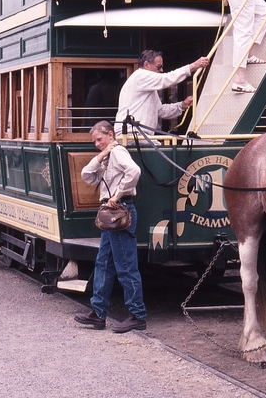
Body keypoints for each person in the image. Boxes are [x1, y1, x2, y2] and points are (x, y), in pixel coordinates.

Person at [74, 121, 146, 333]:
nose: (97, 143)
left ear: (111, 134)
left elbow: (134, 171)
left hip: (119, 211)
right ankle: (98, 313)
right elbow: (86, 175)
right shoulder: (109, 154)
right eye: (95, 141)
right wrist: (104, 151)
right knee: (103, 264)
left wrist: (117, 194)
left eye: (100, 139)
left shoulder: (118, 153)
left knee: (125, 266)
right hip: (111, 214)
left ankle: (138, 315)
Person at [114, 50, 210, 136]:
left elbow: (160, 111)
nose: (161, 70)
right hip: (132, 133)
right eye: (159, 67)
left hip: (138, 134)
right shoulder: (141, 76)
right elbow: (166, 79)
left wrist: (182, 105)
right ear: (147, 64)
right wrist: (194, 66)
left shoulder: (147, 86)